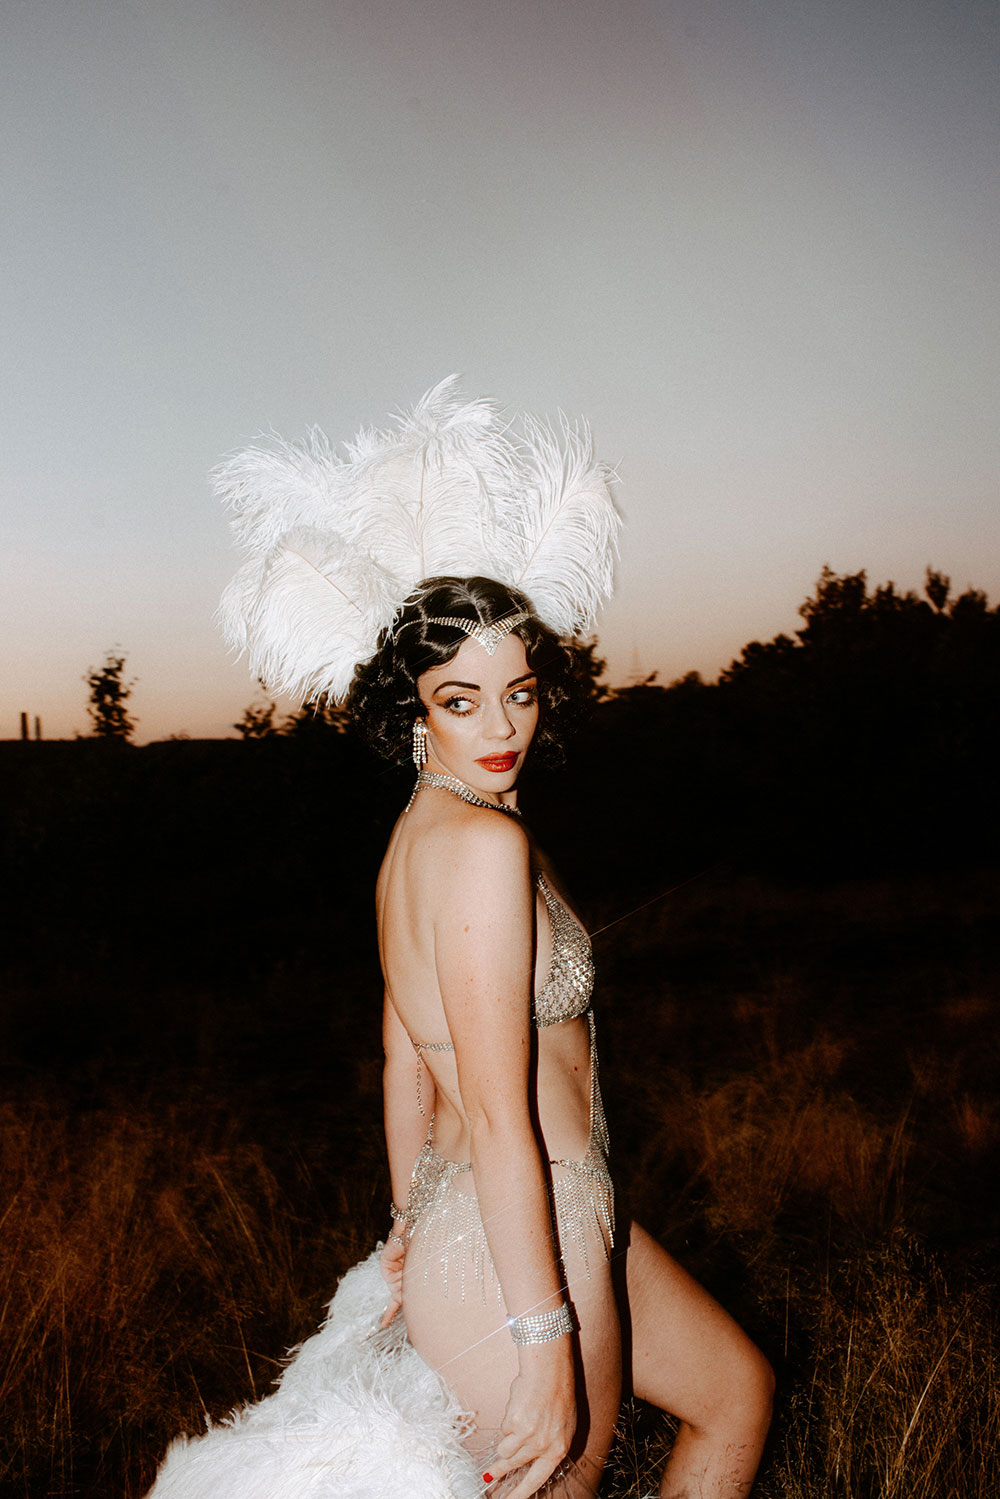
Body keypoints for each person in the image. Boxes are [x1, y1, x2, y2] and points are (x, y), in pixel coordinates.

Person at [148, 380, 772, 1499]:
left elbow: (402, 1061)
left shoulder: (426, 836)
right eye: (461, 698)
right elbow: (488, 1105)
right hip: (520, 1228)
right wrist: (540, 1338)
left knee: (731, 1387)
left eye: (520, 692)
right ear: (414, 708)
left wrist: (403, 1228)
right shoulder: (475, 851)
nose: (501, 726)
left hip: (507, 1213)